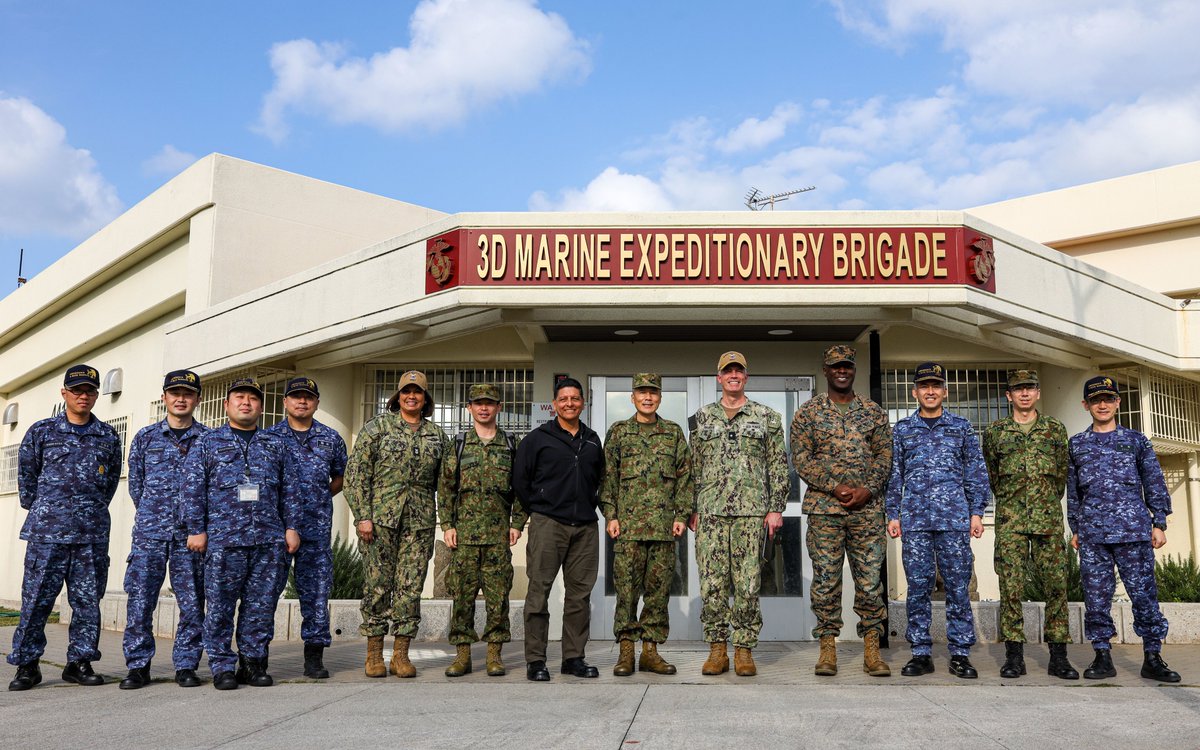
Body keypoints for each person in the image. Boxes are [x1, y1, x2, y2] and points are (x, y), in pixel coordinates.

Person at [181, 378, 300, 690]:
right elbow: (192, 489)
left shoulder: (276, 444)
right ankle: (222, 666)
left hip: (267, 540)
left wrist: (291, 527)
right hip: (224, 540)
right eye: (239, 398)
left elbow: (290, 489)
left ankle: (253, 662)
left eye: (252, 399)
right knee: (219, 606)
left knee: (260, 606)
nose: (246, 403)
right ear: (226, 405)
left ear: (260, 406)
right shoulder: (207, 442)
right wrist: (197, 530)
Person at [8, 364, 121, 691]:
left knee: (87, 602)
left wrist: (88, 510)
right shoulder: (42, 431)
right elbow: (27, 480)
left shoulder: (108, 436)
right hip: (47, 535)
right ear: (64, 394)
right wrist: (49, 510)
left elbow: (110, 482)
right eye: (77, 390)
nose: (83, 395)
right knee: (36, 602)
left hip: (90, 536)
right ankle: (28, 665)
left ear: (97, 395)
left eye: (89, 390)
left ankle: (79, 662)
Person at [1067, 375, 1180, 682]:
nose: (1102, 405)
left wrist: (1159, 522)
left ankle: (1153, 657)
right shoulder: (1077, 444)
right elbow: (1073, 491)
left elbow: (1154, 481)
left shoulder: (1136, 441)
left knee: (1144, 595)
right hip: (1093, 534)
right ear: (1086, 405)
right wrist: (1075, 527)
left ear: (1117, 402)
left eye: (1108, 399)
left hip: (1133, 531)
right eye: (1095, 400)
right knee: (1096, 598)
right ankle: (1102, 656)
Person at [791, 345, 892, 677]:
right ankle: (827, 648)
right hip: (825, 510)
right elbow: (801, 458)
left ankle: (872, 651)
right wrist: (833, 485)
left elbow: (885, 457)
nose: (842, 371)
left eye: (847, 366)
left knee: (869, 582)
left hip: (867, 512)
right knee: (825, 582)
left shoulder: (873, 412)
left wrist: (869, 489)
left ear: (854, 369)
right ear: (826, 371)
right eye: (835, 367)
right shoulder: (808, 413)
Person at [688, 351, 788, 677]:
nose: (733, 375)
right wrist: (690, 508)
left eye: (738, 371)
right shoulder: (701, 419)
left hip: (751, 513)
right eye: (727, 371)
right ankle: (718, 649)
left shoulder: (766, 417)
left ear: (746, 377)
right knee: (713, 584)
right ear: (719, 377)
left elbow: (778, 465)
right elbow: (691, 467)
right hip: (710, 513)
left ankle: (743, 649)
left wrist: (776, 508)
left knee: (747, 584)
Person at [886, 362, 988, 679]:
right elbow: (894, 476)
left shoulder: (961, 427)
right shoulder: (902, 430)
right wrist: (893, 513)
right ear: (915, 392)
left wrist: (976, 512)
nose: (930, 391)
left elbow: (975, 473)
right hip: (915, 520)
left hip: (954, 519)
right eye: (924, 386)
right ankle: (920, 653)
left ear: (944, 391)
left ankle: (960, 654)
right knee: (918, 588)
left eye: (936, 386)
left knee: (958, 589)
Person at [344, 370, 447, 678]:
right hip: (379, 523)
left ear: (425, 399)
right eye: (406, 392)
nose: (411, 396)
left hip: (419, 523)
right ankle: (374, 654)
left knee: (410, 588)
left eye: (417, 392)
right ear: (398, 397)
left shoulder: (437, 436)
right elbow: (356, 475)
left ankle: (400, 655)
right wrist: (363, 515)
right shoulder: (377, 428)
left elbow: (446, 481)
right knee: (377, 587)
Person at [982, 369, 1078, 680]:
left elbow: (1061, 476)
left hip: (1048, 520)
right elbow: (993, 476)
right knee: (1010, 588)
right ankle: (1014, 656)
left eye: (1030, 388)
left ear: (1038, 393)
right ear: (1008, 396)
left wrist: (1042, 501)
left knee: (1056, 588)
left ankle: (1059, 656)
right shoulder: (996, 432)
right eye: (1018, 389)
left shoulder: (1054, 429)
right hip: (1010, 521)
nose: (1025, 393)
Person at [120, 369, 209, 690]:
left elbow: (213, 488)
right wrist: (152, 515)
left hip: (192, 535)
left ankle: (186, 664)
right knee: (140, 600)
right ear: (165, 398)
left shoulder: (209, 439)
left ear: (197, 399)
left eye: (188, 393)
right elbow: (136, 486)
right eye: (175, 393)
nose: (181, 398)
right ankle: (138, 665)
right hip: (150, 534)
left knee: (192, 601)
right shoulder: (145, 437)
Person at [514, 377, 606, 682]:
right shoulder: (537, 439)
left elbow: (600, 480)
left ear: (583, 403)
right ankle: (536, 660)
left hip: (584, 527)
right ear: (554, 404)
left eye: (575, 399)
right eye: (563, 399)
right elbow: (520, 482)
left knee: (579, 597)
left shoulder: (592, 440)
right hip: (548, 525)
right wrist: (540, 508)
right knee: (538, 593)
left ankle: (573, 658)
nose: (569, 403)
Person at [600, 373, 691, 677]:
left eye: (653, 392)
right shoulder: (619, 433)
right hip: (627, 530)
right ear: (633, 397)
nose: (647, 397)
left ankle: (650, 652)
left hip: (664, 530)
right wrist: (610, 515)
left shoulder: (673, 433)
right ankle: (626, 652)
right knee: (626, 592)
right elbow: (608, 478)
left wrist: (681, 516)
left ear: (660, 397)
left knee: (658, 593)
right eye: (642, 392)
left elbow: (685, 478)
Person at [437, 383, 525, 677]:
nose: (484, 407)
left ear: (499, 407)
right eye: (478, 403)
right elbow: (446, 489)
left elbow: (521, 491)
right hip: (464, 538)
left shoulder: (511, 445)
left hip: (498, 538)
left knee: (498, 599)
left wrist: (516, 524)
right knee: (462, 597)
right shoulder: (459, 444)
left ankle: (494, 655)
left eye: (490, 403)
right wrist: (447, 526)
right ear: (470, 408)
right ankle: (462, 656)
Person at [265, 377, 347, 679]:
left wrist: (320, 496)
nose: (302, 401)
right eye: (296, 397)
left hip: (316, 527)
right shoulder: (268, 437)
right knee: (265, 593)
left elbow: (341, 475)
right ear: (285, 402)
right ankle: (256, 655)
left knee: (316, 594)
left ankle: (314, 657)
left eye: (308, 397)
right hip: (275, 527)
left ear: (316, 402)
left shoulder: (331, 438)